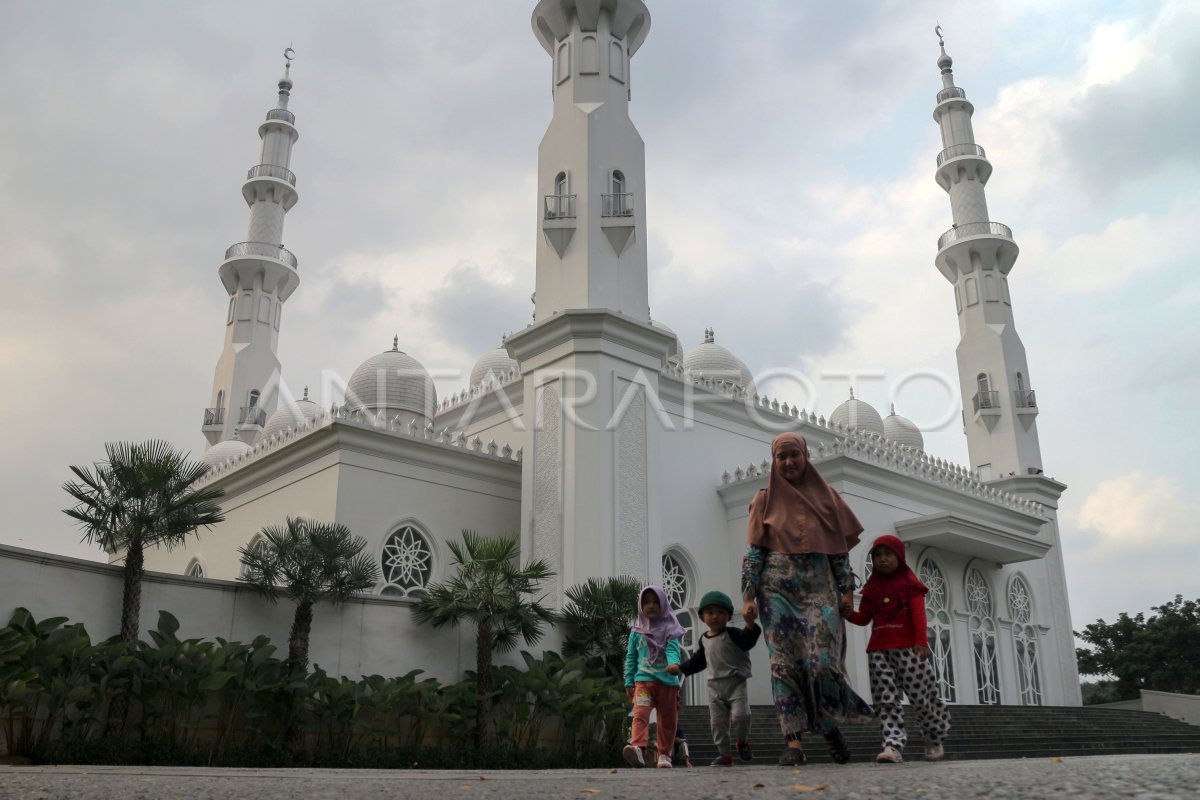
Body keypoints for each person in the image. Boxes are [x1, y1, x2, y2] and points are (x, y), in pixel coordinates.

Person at [742, 431, 874, 766]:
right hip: (777, 594)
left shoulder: (827, 498)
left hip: (819, 592)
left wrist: (846, 591)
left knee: (821, 665)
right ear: (774, 462)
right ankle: (794, 743)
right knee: (782, 666)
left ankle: (830, 728)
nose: (788, 462)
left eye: (793, 455)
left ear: (805, 457)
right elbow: (754, 554)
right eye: (781, 457)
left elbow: (840, 554)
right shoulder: (763, 500)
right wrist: (748, 596)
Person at [841, 534, 951, 763]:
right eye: (877, 555)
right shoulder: (872, 588)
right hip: (879, 651)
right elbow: (864, 619)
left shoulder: (910, 584)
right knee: (886, 699)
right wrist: (847, 613)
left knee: (923, 697)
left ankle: (933, 739)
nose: (882, 559)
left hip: (910, 649)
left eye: (888, 554)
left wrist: (921, 642)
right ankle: (892, 745)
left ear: (899, 556)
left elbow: (919, 616)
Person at [668, 589, 760, 766]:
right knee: (718, 723)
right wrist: (680, 667)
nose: (715, 616)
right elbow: (698, 661)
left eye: (720, 612)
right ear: (702, 617)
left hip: (735, 684)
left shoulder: (733, 634)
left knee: (742, 716)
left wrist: (750, 625)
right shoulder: (704, 639)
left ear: (729, 615)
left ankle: (742, 741)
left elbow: (747, 640)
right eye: (710, 612)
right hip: (714, 688)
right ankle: (724, 754)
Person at [623, 585, 686, 769]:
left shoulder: (670, 629)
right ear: (641, 605)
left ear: (663, 604)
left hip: (667, 683)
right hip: (643, 681)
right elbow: (631, 657)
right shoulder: (636, 631)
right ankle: (638, 749)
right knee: (640, 714)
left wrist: (674, 664)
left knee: (667, 719)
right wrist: (628, 680)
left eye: (655, 602)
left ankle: (664, 754)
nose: (651, 606)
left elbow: (672, 650)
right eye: (646, 602)